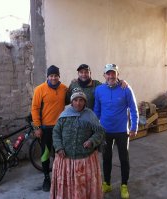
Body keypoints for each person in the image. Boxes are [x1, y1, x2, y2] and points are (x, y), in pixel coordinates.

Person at [94, 64, 139, 199]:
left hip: (121, 132)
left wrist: (134, 127)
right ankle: (107, 183)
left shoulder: (125, 89)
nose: (111, 76)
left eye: (113, 73)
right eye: (108, 74)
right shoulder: (99, 90)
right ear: (104, 75)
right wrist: (95, 128)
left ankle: (124, 185)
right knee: (106, 158)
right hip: (105, 131)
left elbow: (133, 108)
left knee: (123, 159)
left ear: (117, 75)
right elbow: (97, 110)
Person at [50, 90, 105, 199]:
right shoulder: (64, 115)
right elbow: (56, 133)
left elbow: (100, 131)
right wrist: (59, 147)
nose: (78, 103)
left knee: (83, 184)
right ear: (71, 102)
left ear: (85, 102)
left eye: (81, 100)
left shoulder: (90, 115)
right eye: (75, 100)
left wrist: (92, 141)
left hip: (84, 160)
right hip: (66, 159)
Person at [31, 65, 67, 192]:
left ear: (59, 76)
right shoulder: (40, 89)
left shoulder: (64, 89)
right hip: (45, 128)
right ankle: (47, 178)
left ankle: (60, 177)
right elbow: (34, 109)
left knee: (60, 153)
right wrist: (37, 127)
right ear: (47, 76)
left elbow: (74, 99)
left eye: (56, 76)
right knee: (46, 153)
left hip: (60, 128)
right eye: (51, 76)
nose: (53, 78)